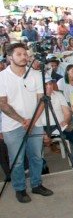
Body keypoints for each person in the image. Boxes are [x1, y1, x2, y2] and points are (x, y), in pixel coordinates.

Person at [0, 43, 53, 203]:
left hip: (34, 123)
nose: (24, 56)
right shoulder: (2, 77)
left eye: (25, 54)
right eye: (19, 54)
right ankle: (20, 189)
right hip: (13, 126)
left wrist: (32, 122)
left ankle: (36, 184)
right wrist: (23, 121)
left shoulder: (36, 75)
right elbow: (2, 103)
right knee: (16, 160)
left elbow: (41, 100)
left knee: (37, 156)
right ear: (10, 57)